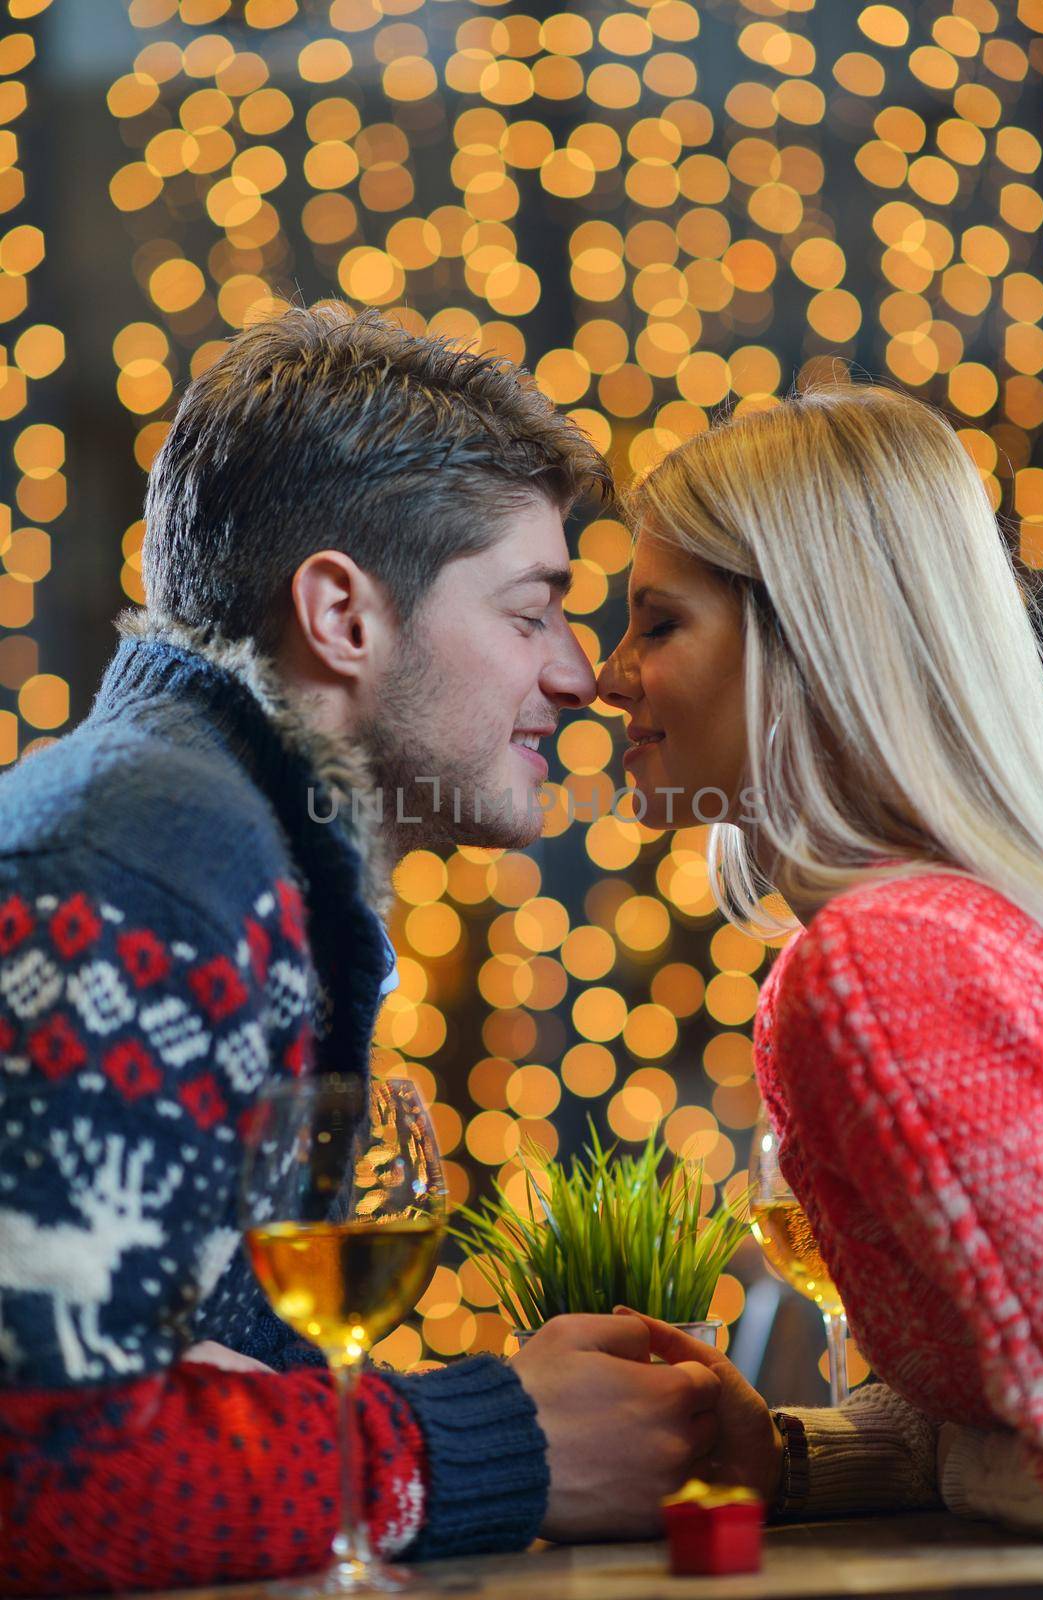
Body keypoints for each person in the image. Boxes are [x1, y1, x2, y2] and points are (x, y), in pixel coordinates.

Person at [0, 305, 721, 1595]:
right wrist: (507, 1441)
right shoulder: (147, 869)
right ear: (341, 613)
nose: (580, 674)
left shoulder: (240, 847)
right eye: (532, 609)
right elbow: (52, 1477)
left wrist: (234, 1401)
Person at [597, 383, 1043, 1536]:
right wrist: (785, 1453)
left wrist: (969, 1469)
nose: (607, 676)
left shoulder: (876, 965)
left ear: (810, 637)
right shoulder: (914, 936)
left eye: (657, 625)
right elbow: (991, 1376)